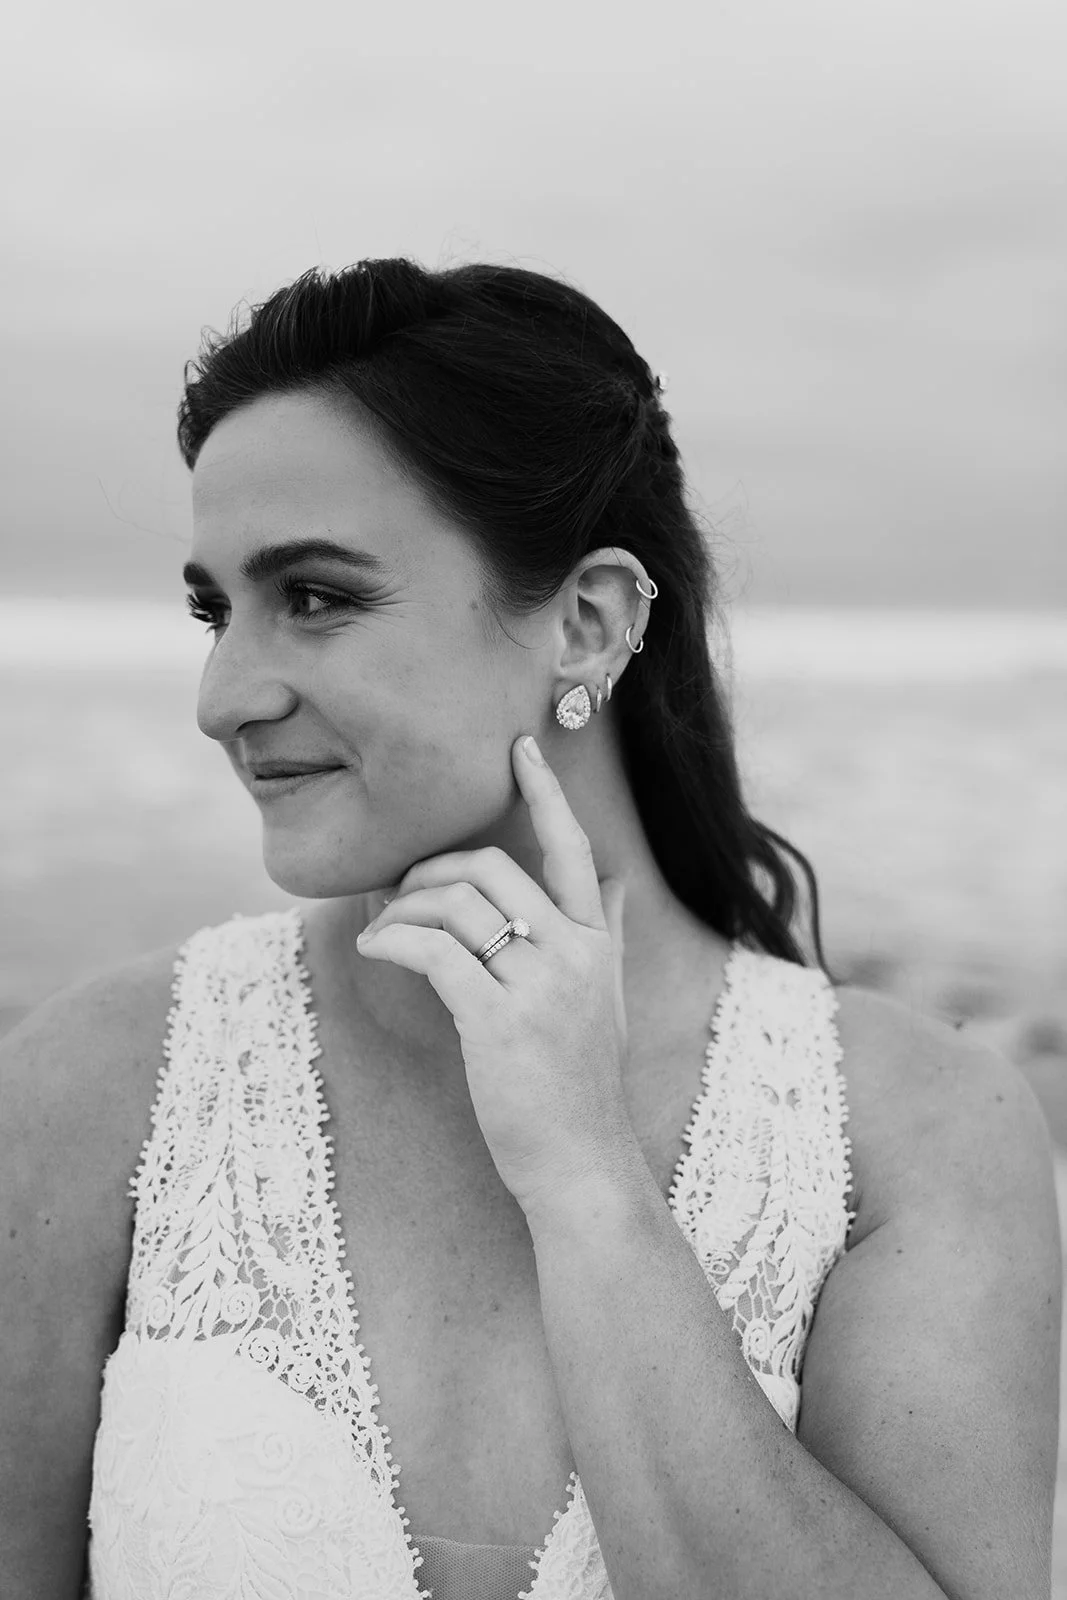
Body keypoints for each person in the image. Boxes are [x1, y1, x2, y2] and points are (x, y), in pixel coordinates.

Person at [2, 257, 1059, 1600]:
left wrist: (585, 1176)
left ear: (587, 622)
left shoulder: (919, 1130)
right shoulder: (94, 1087)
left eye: (313, 596)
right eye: (218, 611)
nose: (222, 699)